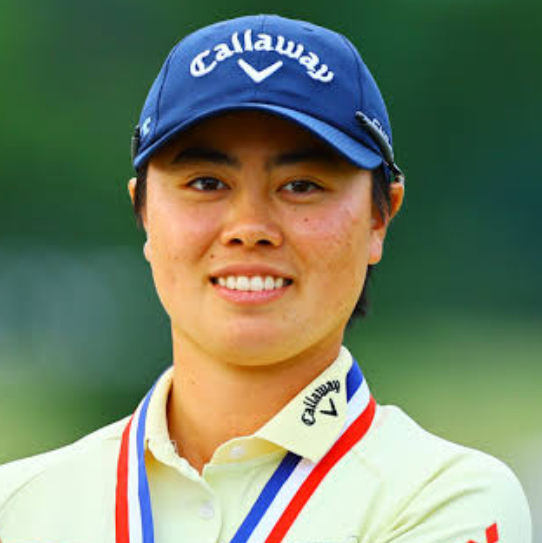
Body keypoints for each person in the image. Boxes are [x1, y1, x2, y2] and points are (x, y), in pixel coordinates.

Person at [0, 14, 532, 543]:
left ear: (379, 219)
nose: (249, 228)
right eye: (206, 183)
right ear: (143, 212)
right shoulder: (18, 505)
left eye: (301, 185)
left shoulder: (447, 498)